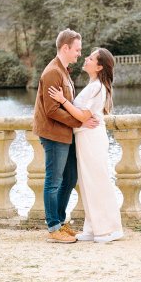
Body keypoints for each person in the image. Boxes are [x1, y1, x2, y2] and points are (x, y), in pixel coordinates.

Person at [48, 47, 124, 243]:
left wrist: (63, 100)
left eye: (90, 58)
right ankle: (92, 227)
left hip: (92, 138)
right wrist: (80, 119)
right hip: (84, 137)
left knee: (98, 182)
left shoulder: (98, 87)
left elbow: (83, 115)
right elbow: (82, 117)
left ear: (99, 66)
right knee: (87, 183)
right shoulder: (93, 85)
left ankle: (110, 230)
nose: (86, 59)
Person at [33, 29, 99, 244]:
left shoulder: (63, 70)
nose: (80, 54)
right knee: (53, 181)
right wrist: (80, 122)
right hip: (53, 134)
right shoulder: (53, 72)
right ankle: (54, 227)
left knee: (70, 178)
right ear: (65, 48)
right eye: (77, 50)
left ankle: (60, 222)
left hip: (66, 134)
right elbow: (52, 111)